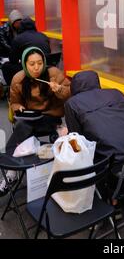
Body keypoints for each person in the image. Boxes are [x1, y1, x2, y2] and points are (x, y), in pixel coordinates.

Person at [0, 46, 71, 196]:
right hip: (30, 117)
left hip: (51, 117)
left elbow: (68, 95)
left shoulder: (53, 74)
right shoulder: (18, 79)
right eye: (32, 64)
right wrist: (18, 106)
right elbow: (14, 102)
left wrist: (59, 89)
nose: (36, 68)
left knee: (49, 132)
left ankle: (57, 177)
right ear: (25, 64)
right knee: (22, 126)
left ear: (44, 62)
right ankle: (12, 172)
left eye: (39, 63)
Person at [64, 70, 124, 177]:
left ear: (74, 87)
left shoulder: (73, 103)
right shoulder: (116, 93)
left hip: (120, 170)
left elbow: (76, 142)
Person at [1, 17, 51, 86]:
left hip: (32, 67)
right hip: (46, 65)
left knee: (5, 67)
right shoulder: (43, 36)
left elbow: (13, 60)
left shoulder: (18, 39)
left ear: (20, 27)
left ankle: (12, 87)